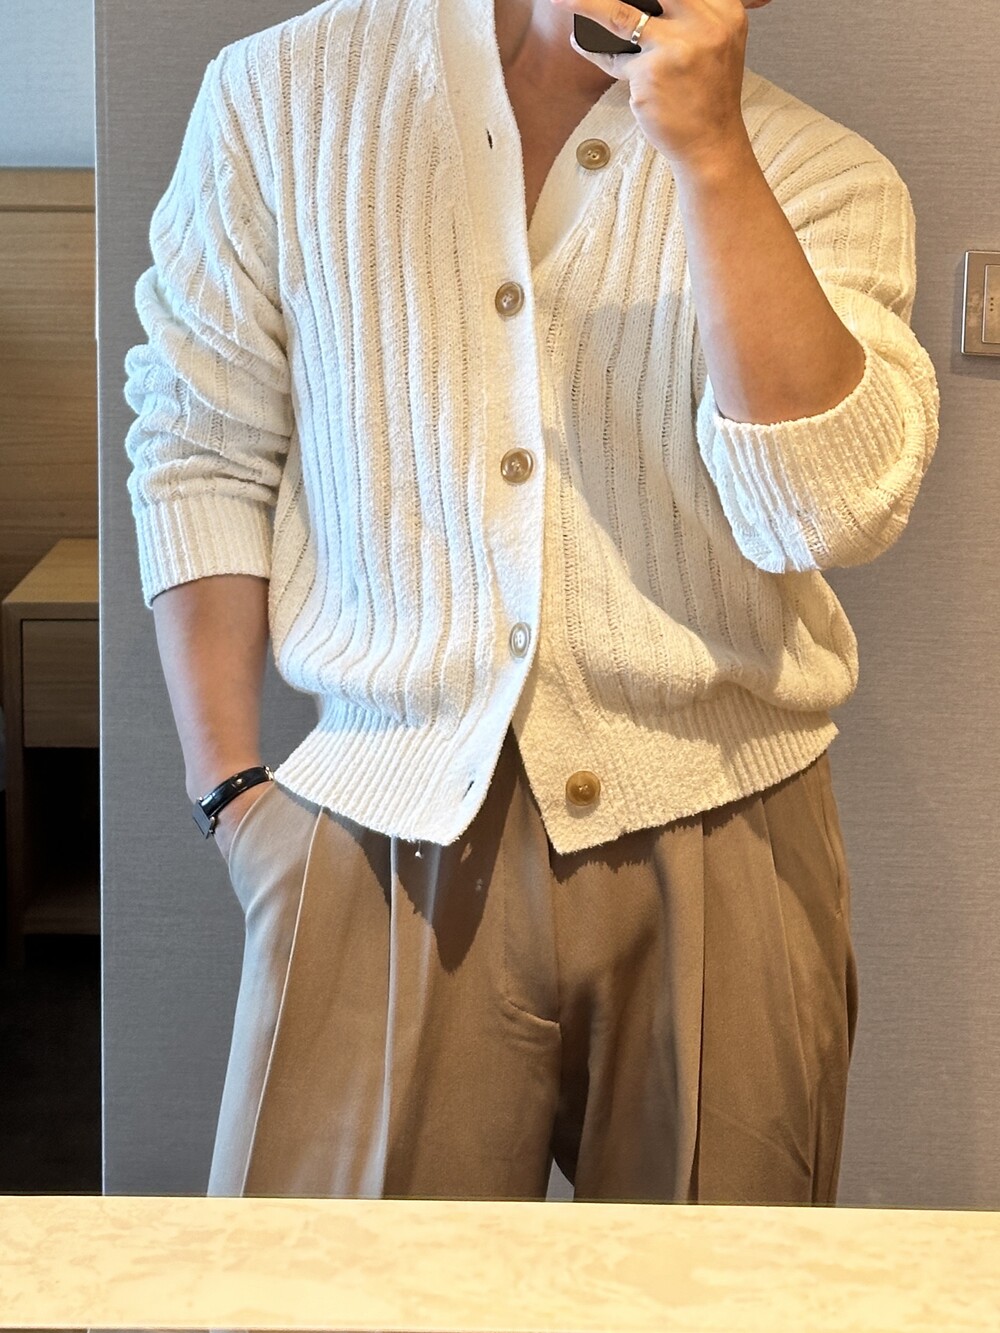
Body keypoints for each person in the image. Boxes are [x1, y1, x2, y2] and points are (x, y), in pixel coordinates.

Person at [123, 0, 939, 1205]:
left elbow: (823, 516)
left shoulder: (824, 177)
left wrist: (713, 160)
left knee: (719, 1291)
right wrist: (233, 796)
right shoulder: (281, 94)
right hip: (377, 829)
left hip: (729, 839)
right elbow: (200, 445)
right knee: (332, 1288)